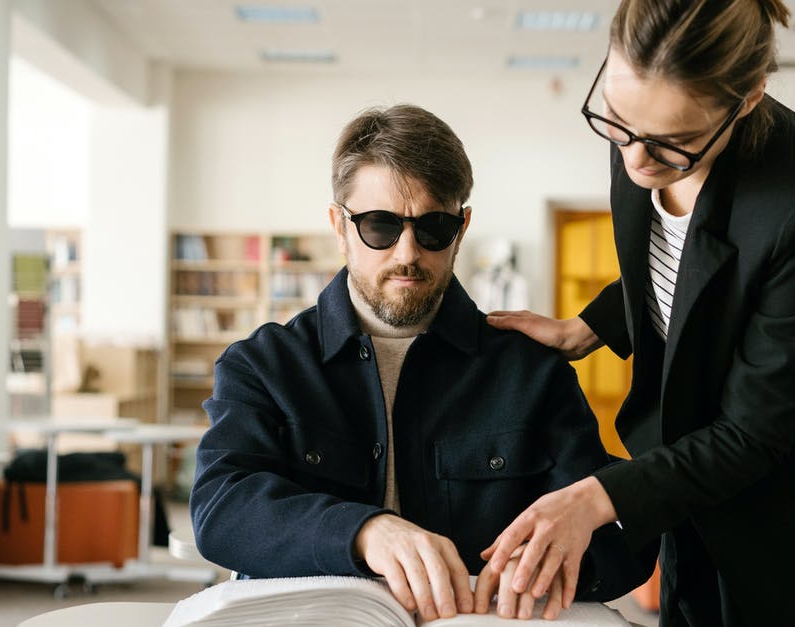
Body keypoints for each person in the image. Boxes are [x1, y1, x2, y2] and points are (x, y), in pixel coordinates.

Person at [482, 1, 795, 625]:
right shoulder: (644, 128)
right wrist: (588, 327)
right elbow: (684, 269)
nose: (636, 161)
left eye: (673, 146)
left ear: (746, 101)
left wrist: (595, 499)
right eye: (615, 123)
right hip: (700, 499)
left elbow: (752, 432)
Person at [190, 104, 654, 622]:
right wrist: (363, 531)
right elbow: (222, 507)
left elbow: (619, 539)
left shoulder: (530, 371)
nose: (407, 252)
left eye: (433, 227)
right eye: (380, 226)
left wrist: (559, 562)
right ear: (338, 226)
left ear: (462, 226)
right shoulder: (263, 365)